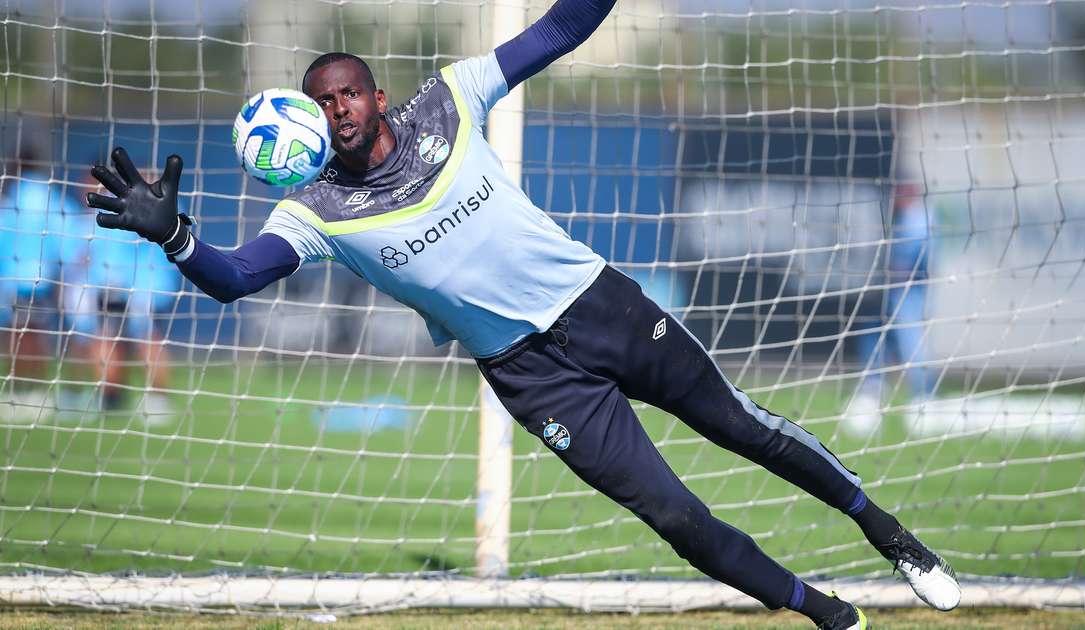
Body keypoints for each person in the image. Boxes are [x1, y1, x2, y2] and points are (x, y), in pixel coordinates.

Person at [84, 1, 960, 626]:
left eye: (347, 92)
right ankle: (826, 615)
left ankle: (889, 534)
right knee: (674, 517)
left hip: (600, 303)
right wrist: (176, 237)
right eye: (318, 102)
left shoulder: (449, 98)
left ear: (379, 97)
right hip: (533, 378)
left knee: (743, 426)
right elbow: (235, 278)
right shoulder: (312, 209)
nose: (334, 108)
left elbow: (561, 27)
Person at [64, 164, 179, 418]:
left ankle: (147, 400)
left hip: (135, 287)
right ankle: (113, 398)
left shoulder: (126, 213)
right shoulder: (131, 212)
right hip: (127, 287)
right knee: (111, 339)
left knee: (139, 340)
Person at [0, 144, 86, 422]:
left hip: (13, 275)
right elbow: (68, 231)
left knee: (18, 334)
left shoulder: (12, 194)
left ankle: (23, 392)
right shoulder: (50, 194)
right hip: (42, 276)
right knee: (34, 334)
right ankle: (31, 391)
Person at [844, 184, 936, 438]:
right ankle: (872, 389)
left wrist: (896, 269)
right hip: (882, 287)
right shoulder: (884, 213)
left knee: (911, 339)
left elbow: (919, 256)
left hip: (908, 289)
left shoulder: (921, 217)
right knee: (872, 333)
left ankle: (923, 396)